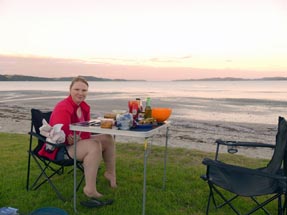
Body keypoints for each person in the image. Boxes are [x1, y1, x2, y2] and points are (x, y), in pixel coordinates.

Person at [46, 76, 117, 198]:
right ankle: (90, 189)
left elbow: (86, 132)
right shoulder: (63, 107)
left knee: (107, 138)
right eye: (77, 89)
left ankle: (110, 173)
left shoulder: (84, 107)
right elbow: (59, 136)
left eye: (84, 90)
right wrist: (69, 138)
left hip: (78, 144)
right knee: (94, 145)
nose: (80, 93)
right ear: (70, 90)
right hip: (60, 149)